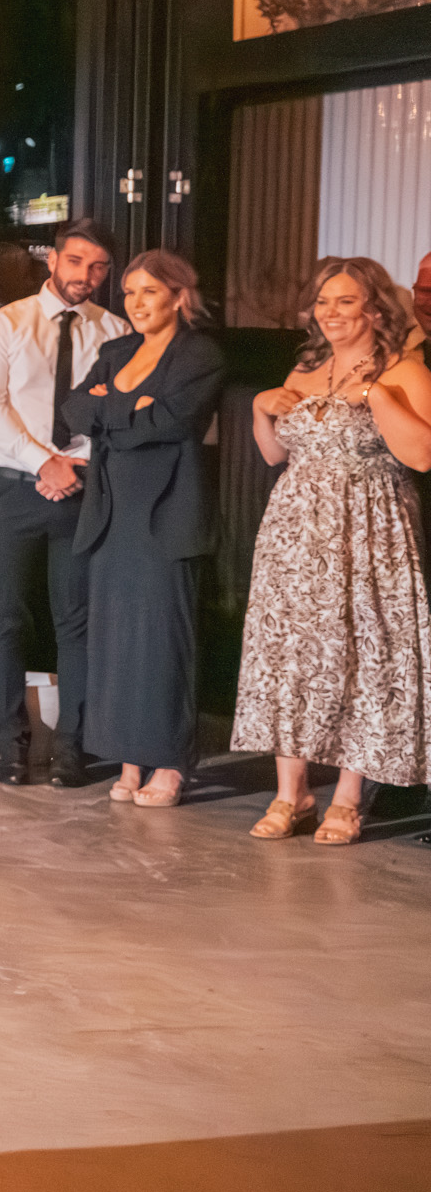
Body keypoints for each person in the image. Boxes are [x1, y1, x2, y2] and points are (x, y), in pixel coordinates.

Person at [234, 257, 431, 843]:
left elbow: (421, 455)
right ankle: (290, 794)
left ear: (375, 308)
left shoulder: (406, 369)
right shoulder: (306, 367)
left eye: (345, 301)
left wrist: (375, 395)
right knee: (291, 654)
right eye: (323, 301)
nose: (331, 312)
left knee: (361, 656)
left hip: (369, 529)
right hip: (294, 533)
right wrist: (259, 408)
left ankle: (348, 798)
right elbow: (275, 454)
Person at [58, 250, 225, 806]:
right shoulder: (116, 351)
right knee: (116, 643)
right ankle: (130, 761)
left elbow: (172, 421)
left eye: (149, 291)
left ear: (178, 295)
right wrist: (130, 408)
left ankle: (170, 764)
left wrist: (111, 409)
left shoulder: (198, 353)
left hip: (166, 514)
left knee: (162, 643)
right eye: (129, 292)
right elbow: (75, 412)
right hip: (112, 513)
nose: (136, 303)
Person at [0, 220, 127, 786]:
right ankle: (10, 748)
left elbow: (116, 411)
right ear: (52, 260)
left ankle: (73, 748)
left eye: (99, 266)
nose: (86, 275)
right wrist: (43, 463)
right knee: (3, 620)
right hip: (11, 488)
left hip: (82, 488)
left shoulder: (116, 331)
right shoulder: (4, 323)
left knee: (76, 623)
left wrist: (74, 467)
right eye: (76, 261)